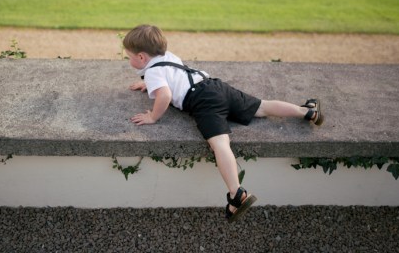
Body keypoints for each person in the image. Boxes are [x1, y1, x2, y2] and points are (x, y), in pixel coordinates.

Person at [123, 24, 324, 222]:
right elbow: (171, 75)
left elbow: (165, 94)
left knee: (220, 145)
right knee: (262, 107)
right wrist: (150, 84)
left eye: (129, 56)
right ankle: (306, 111)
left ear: (141, 57)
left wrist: (152, 117)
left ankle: (236, 193)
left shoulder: (151, 72)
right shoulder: (167, 56)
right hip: (215, 87)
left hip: (202, 102)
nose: (128, 59)